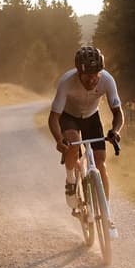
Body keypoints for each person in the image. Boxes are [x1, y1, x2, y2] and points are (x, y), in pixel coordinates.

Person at [48, 45, 125, 214]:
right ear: (78, 73)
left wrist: (116, 130)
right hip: (69, 116)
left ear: (100, 72)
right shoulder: (66, 82)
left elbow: (118, 112)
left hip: (91, 116)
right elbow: (54, 117)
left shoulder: (107, 80)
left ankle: (106, 212)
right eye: (87, 76)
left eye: (95, 75)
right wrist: (59, 140)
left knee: (100, 162)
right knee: (73, 143)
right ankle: (71, 180)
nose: (92, 80)